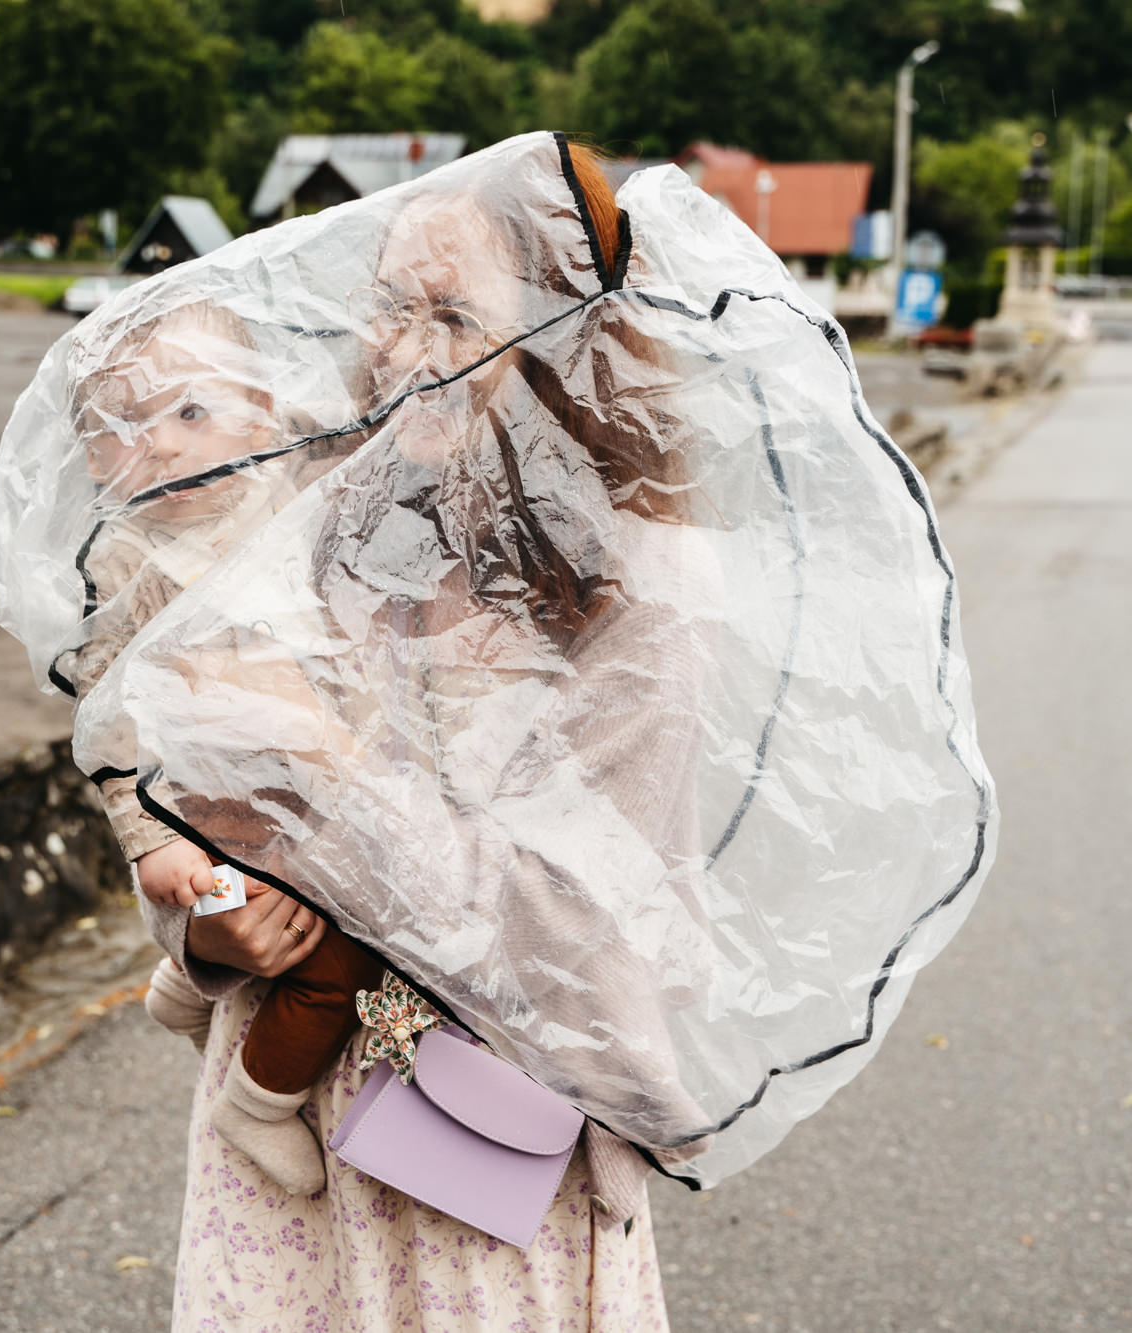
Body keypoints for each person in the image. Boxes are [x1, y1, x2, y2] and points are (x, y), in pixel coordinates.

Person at [125, 140, 682, 1328]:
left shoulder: (632, 610)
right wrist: (208, 932)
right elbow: (190, 818)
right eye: (389, 306)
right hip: (283, 1172)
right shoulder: (309, 530)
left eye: (452, 313)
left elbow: (568, 929)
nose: (404, 347)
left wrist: (333, 763)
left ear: (562, 340)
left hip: (484, 1169)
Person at [58, 300, 388, 1197]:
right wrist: (150, 839)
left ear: (259, 412)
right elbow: (107, 719)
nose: (163, 444)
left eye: (192, 411)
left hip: (318, 783)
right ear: (93, 456)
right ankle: (259, 1100)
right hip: (217, 806)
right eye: (125, 424)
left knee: (329, 911)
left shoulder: (287, 490)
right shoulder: (127, 558)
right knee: (329, 952)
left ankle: (182, 987)